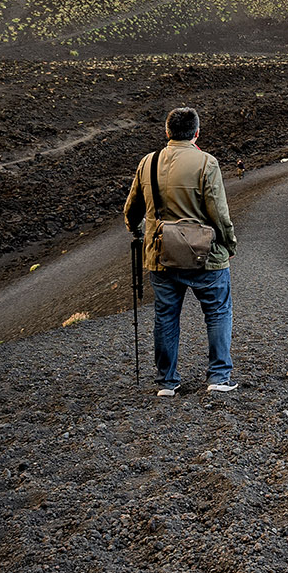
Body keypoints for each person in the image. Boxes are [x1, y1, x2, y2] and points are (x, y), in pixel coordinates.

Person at [123, 107, 238, 397]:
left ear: (167, 131)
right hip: (205, 258)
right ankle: (219, 377)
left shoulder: (148, 163)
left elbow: (131, 210)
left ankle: (167, 382)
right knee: (217, 312)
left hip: (162, 257)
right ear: (196, 133)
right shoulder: (206, 163)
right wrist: (229, 244)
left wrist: (137, 232)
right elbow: (219, 213)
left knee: (165, 316)